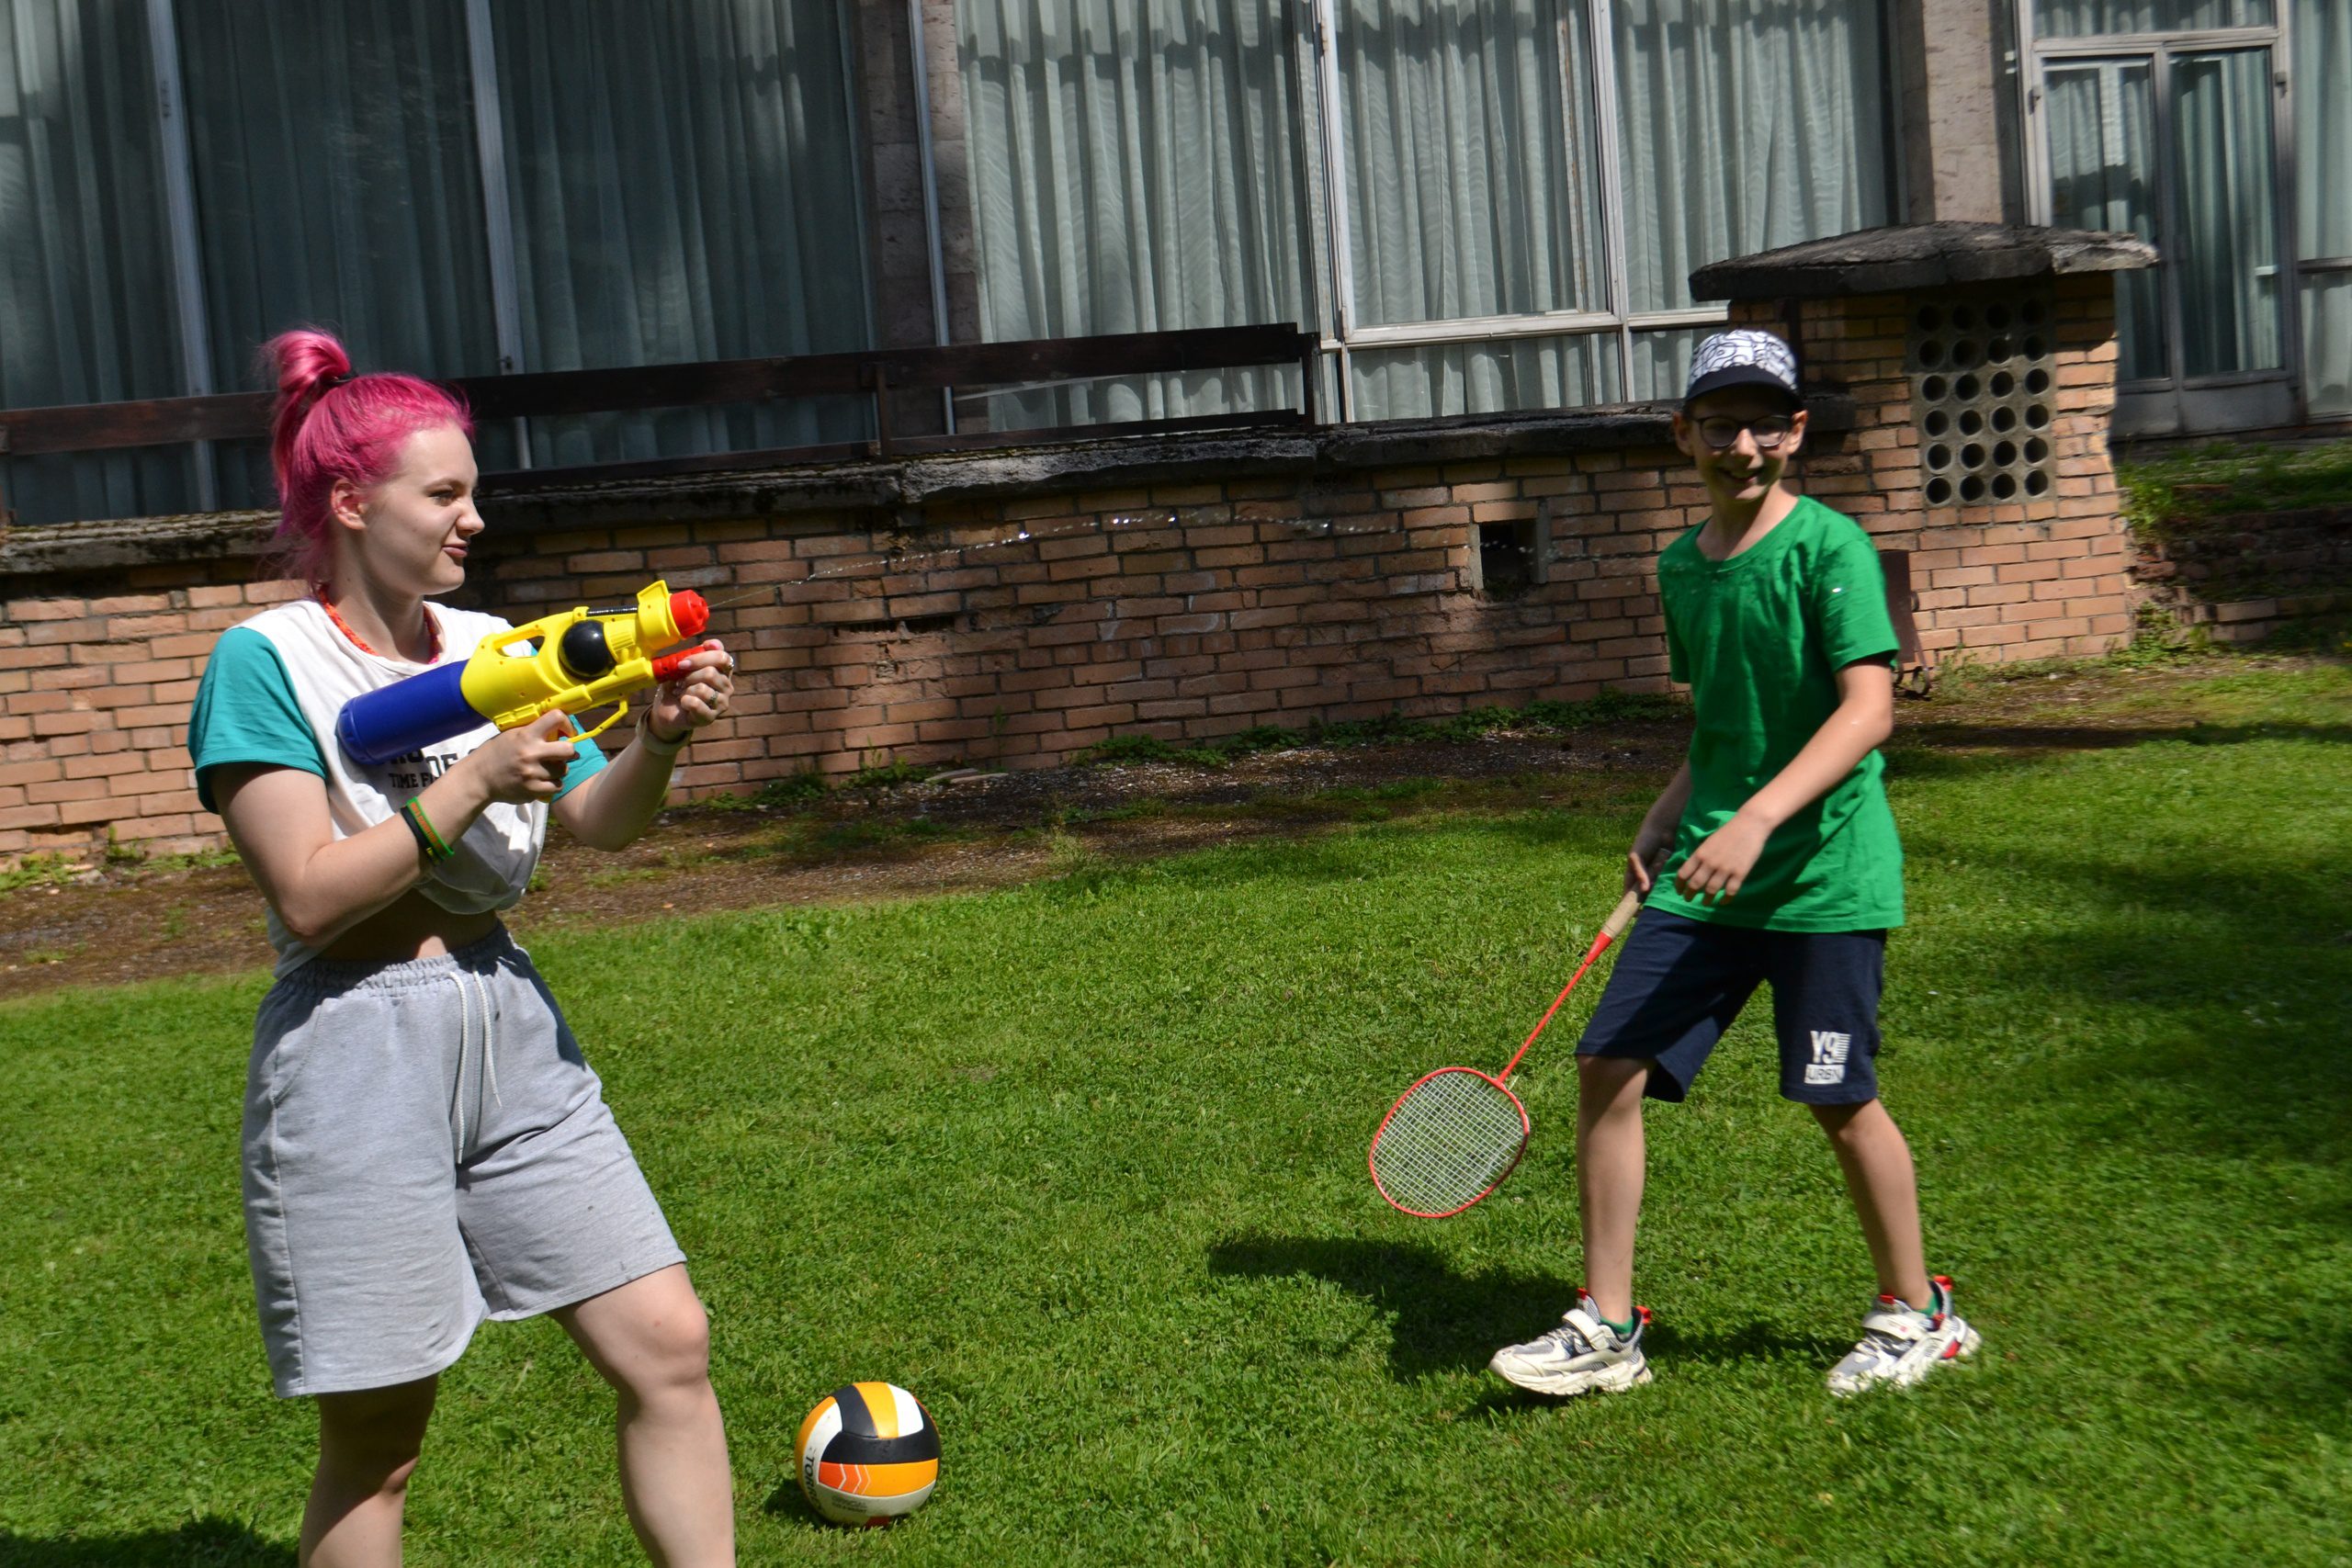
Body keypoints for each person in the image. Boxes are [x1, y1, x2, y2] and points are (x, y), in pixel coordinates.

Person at [187, 331, 739, 1565]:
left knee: (668, 1341)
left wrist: (656, 739)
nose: (473, 520)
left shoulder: (495, 641)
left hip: (508, 1017)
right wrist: (478, 775)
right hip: (352, 1044)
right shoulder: (267, 662)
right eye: (445, 494)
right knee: (380, 1439)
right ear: (349, 500)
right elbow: (313, 895)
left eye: (471, 492)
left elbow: (598, 822)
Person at [1487, 328, 1977, 1401]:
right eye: (1720, 425)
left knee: (1834, 1093)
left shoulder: (1829, 549)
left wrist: (1753, 820)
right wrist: (1669, 814)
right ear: (1683, 434)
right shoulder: (1680, 568)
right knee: (1606, 1066)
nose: (1741, 445)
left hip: (1822, 880)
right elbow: (1722, 720)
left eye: (1764, 423)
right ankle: (1608, 1324)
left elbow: (1868, 711)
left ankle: (1919, 1312)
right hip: (1705, 873)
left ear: (1796, 432)